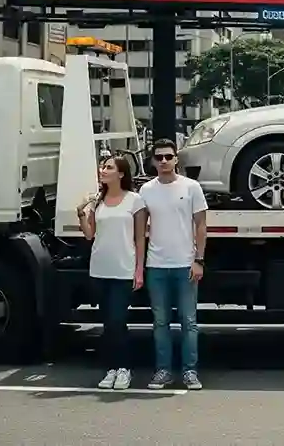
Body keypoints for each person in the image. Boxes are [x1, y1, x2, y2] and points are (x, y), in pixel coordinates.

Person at [140, 137, 208, 390]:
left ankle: (190, 371)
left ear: (176, 159)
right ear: (153, 161)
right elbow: (138, 229)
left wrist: (199, 260)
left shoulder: (191, 187)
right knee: (160, 322)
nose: (164, 161)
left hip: (185, 264)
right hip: (156, 264)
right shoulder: (146, 191)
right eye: (159, 157)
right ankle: (163, 371)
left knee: (189, 321)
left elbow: (201, 226)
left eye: (169, 156)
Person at [76, 155, 147, 390]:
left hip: (123, 269)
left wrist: (139, 271)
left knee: (118, 320)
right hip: (99, 269)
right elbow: (90, 234)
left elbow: (139, 238)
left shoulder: (134, 201)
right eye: (102, 167)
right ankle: (111, 369)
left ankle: (124, 369)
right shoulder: (99, 200)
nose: (103, 170)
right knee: (107, 323)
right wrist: (81, 214)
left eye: (108, 167)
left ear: (121, 174)